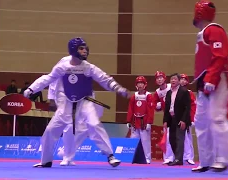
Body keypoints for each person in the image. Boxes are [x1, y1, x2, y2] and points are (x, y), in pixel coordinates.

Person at [23, 37, 131, 168]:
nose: (85, 51)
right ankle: (46, 161)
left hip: (85, 101)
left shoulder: (88, 67)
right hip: (66, 103)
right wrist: (31, 89)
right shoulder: (63, 66)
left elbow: (104, 79)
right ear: (73, 50)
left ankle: (110, 155)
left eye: (85, 48)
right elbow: (47, 78)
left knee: (94, 123)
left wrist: (118, 88)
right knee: (51, 130)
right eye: (81, 48)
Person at [191, 0, 228, 172]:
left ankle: (222, 159)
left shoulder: (215, 30)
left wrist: (211, 78)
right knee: (200, 122)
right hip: (204, 81)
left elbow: (220, 56)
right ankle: (205, 160)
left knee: (217, 118)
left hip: (217, 78)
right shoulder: (204, 33)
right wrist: (203, 81)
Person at [49, 46, 91, 166]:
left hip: (80, 99)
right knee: (68, 127)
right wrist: (52, 98)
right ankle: (67, 157)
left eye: (86, 51)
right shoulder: (64, 61)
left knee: (83, 128)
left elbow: (87, 83)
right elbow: (53, 78)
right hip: (65, 98)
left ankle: (67, 152)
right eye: (81, 50)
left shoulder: (86, 65)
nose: (84, 52)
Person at [163, 73, 191, 166]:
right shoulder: (169, 93)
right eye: (171, 79)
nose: (173, 81)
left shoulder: (184, 92)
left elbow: (187, 107)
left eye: (175, 79)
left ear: (179, 81)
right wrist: (165, 121)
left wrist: (184, 120)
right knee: (171, 139)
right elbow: (166, 108)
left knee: (180, 139)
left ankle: (179, 159)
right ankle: (177, 157)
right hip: (171, 119)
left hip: (180, 118)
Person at [126, 76, 154, 164]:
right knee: (133, 140)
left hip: (144, 122)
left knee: (145, 141)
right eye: (138, 83)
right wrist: (128, 121)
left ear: (145, 85)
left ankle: (147, 158)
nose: (140, 85)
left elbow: (150, 110)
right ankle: (131, 157)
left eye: (142, 83)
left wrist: (149, 122)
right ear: (136, 85)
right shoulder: (134, 96)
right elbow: (130, 109)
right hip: (135, 121)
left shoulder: (148, 96)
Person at [153, 71, 174, 164]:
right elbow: (155, 106)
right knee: (167, 137)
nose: (159, 79)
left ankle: (185, 158)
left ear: (165, 78)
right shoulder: (157, 92)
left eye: (161, 77)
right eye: (157, 78)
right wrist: (158, 105)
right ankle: (168, 158)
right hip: (167, 116)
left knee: (182, 138)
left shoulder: (171, 87)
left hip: (177, 114)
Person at [179, 74, 196, 165]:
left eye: (184, 79)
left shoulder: (190, 93)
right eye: (181, 79)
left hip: (187, 118)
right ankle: (176, 157)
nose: (182, 81)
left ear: (187, 82)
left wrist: (192, 119)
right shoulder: (174, 91)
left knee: (188, 138)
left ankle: (189, 157)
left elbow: (193, 107)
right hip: (177, 118)